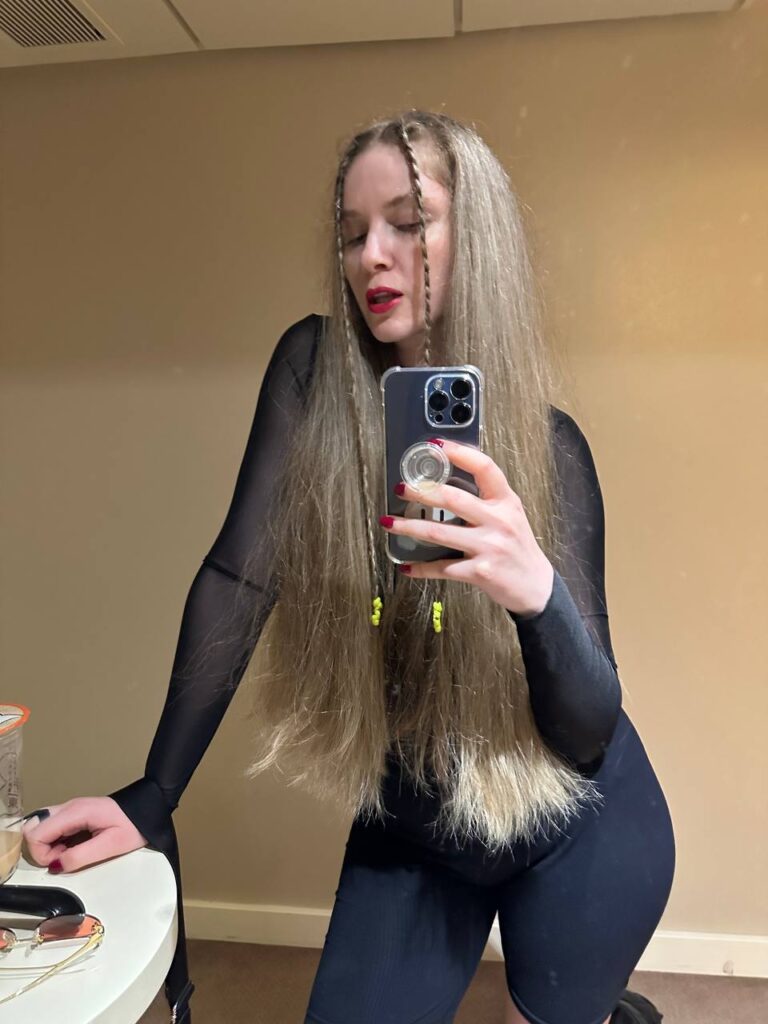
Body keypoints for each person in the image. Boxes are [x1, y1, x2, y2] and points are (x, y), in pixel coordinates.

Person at [24, 111, 675, 1024]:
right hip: (413, 825)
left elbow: (588, 733)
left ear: (476, 237)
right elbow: (240, 580)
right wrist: (156, 793)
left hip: (575, 824)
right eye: (351, 232)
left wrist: (538, 596)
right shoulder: (312, 377)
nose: (372, 255)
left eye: (407, 223)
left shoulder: (552, 450)